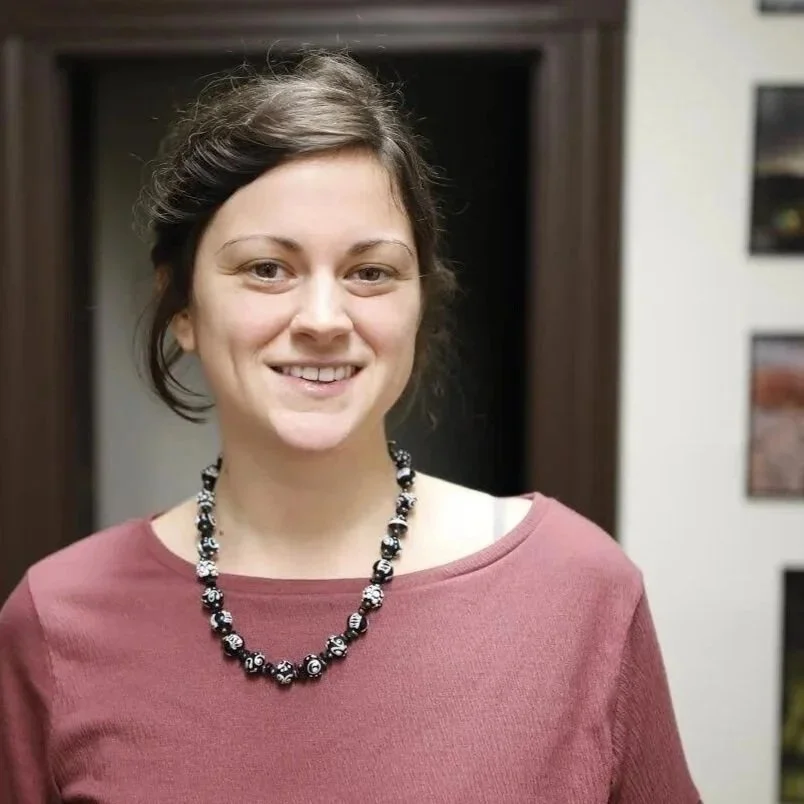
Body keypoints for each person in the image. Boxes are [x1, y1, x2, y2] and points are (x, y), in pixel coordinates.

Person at [0, 51, 701, 803]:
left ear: (419, 304)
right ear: (183, 308)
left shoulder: (578, 590)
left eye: (371, 272)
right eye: (267, 268)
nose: (324, 320)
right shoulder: (55, 618)